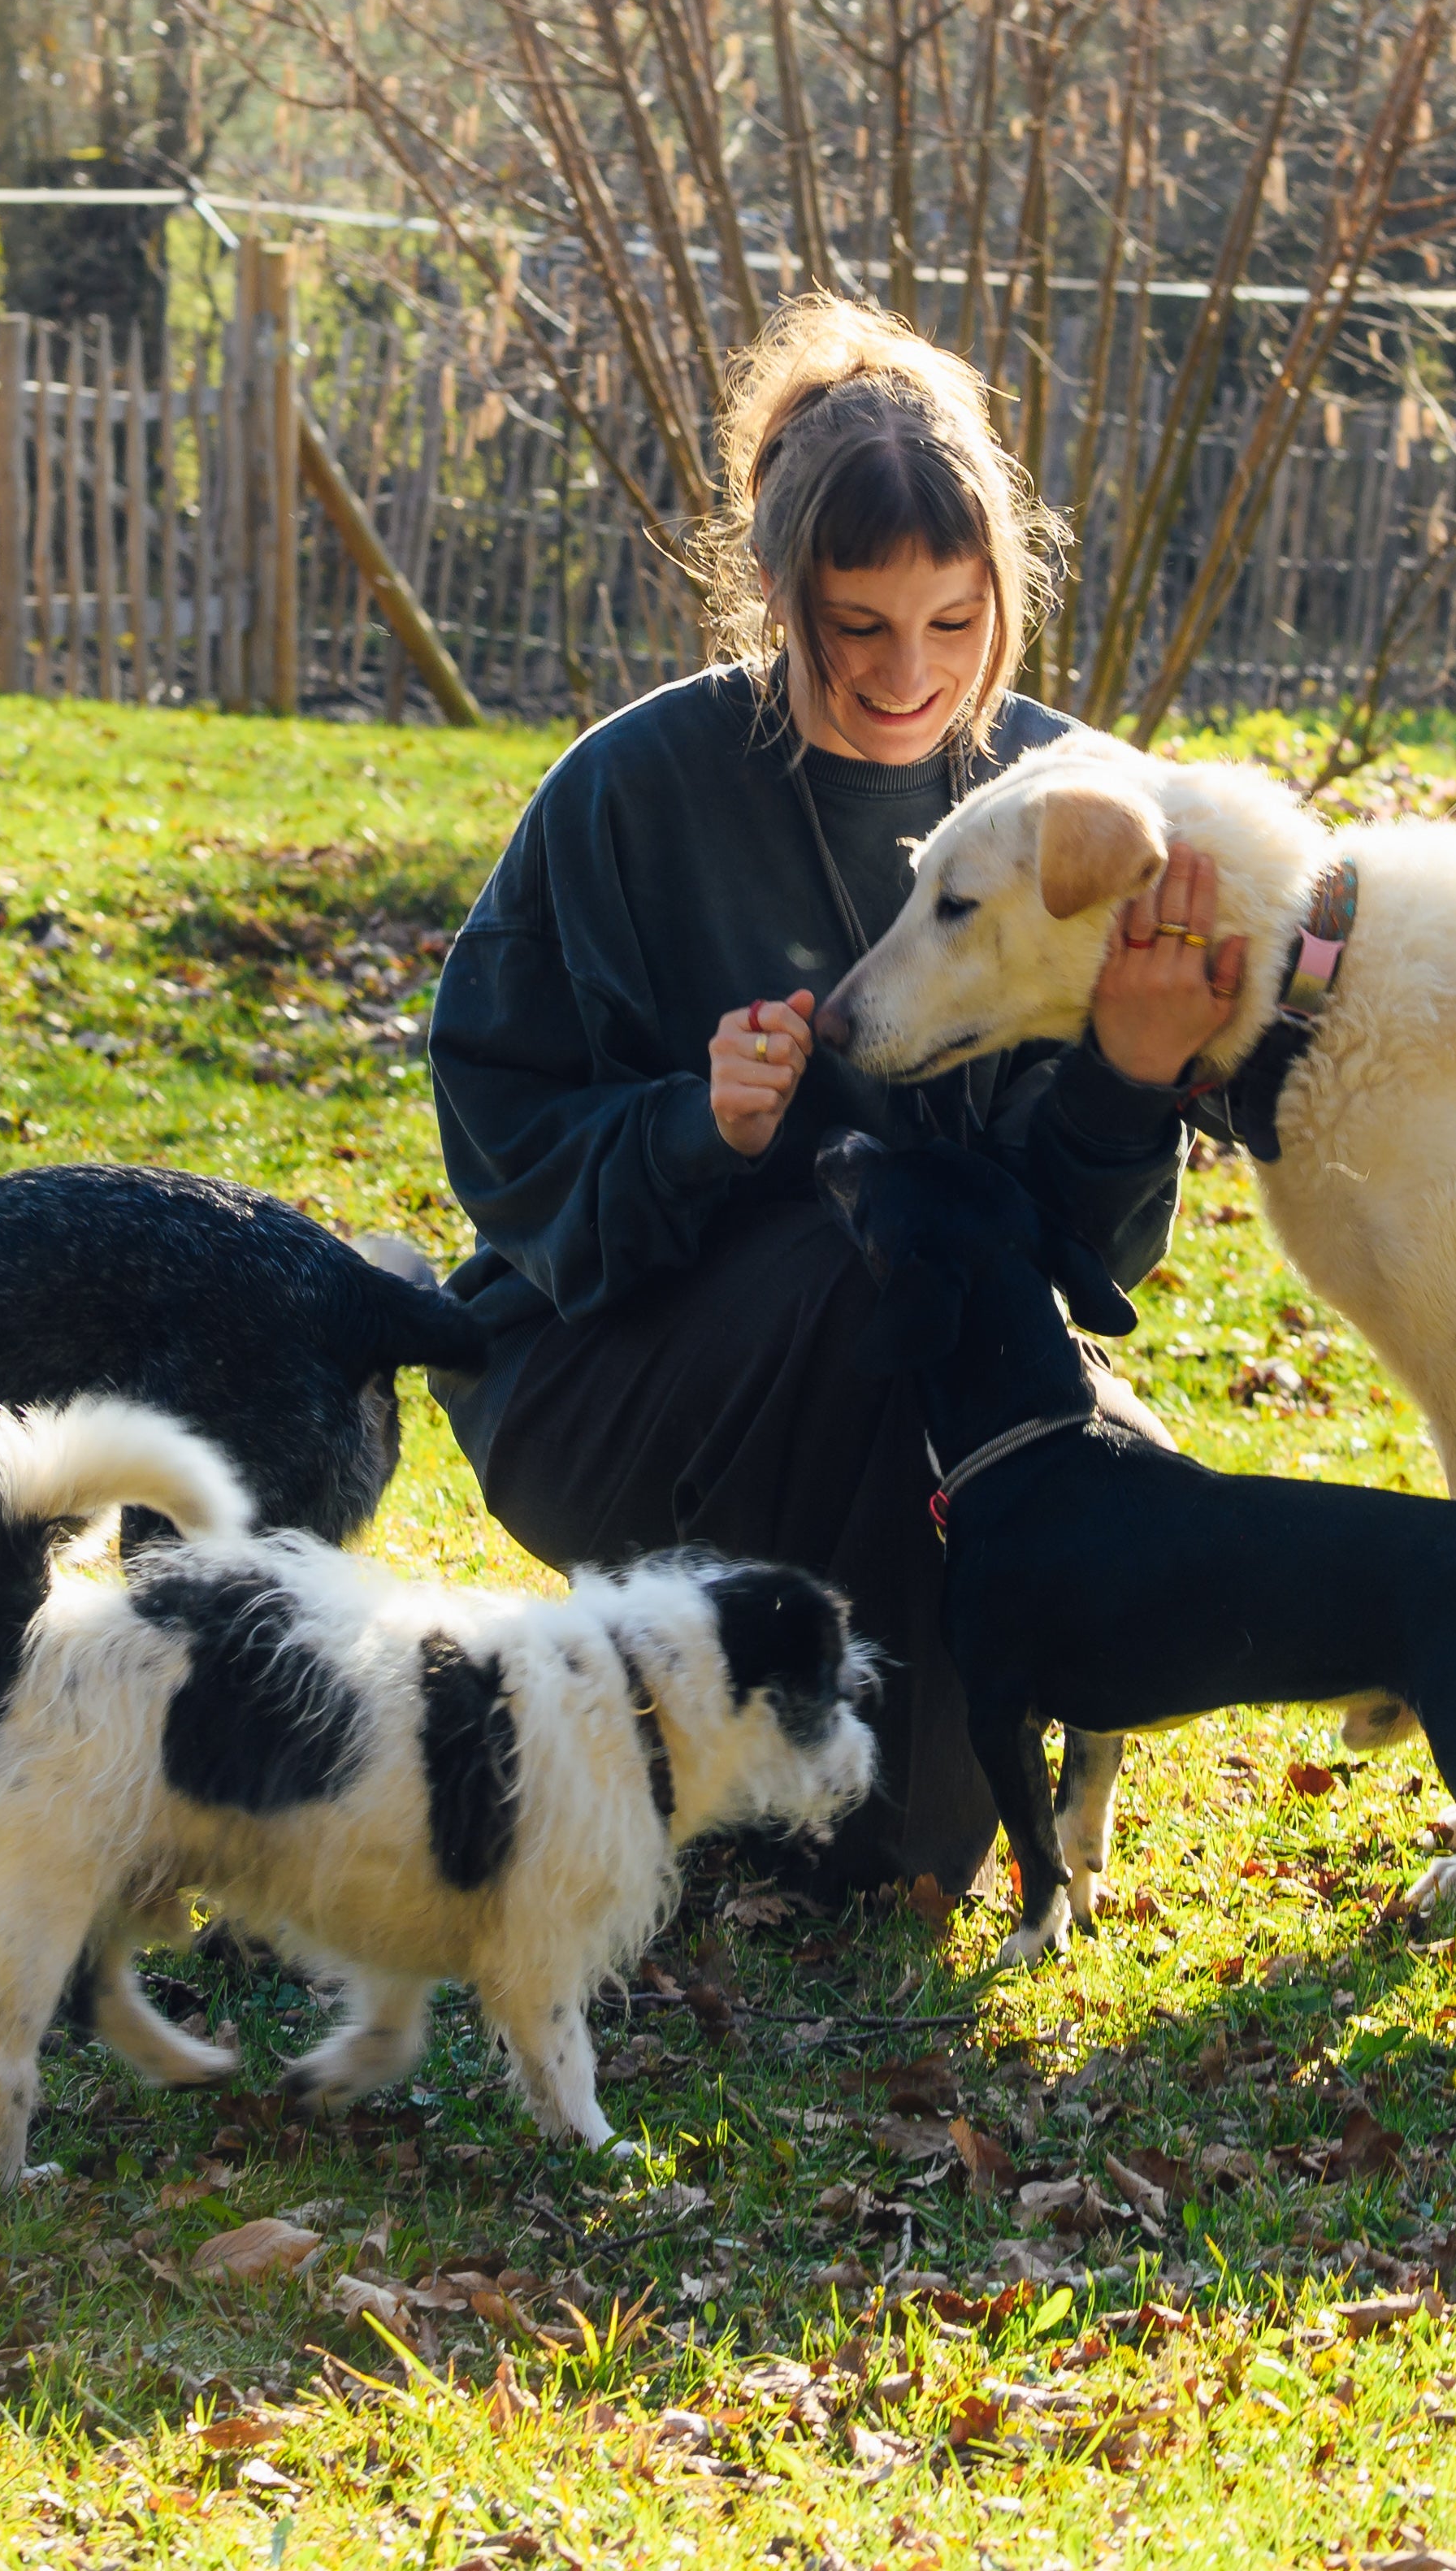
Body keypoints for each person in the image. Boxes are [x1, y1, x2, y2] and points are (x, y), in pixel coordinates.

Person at [420, 293, 1244, 1901]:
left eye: (953, 619)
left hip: (931, 1374)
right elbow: (499, 1142)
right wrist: (691, 1125)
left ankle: (881, 1782)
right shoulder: (632, 786)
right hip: (610, 1382)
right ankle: (874, 1823)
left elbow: (1085, 1254)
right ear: (778, 593)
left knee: (946, 1306)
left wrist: (1132, 1076)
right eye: (857, 624)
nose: (907, 674)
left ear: (1004, 588)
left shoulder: (1075, 808)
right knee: (875, 1259)